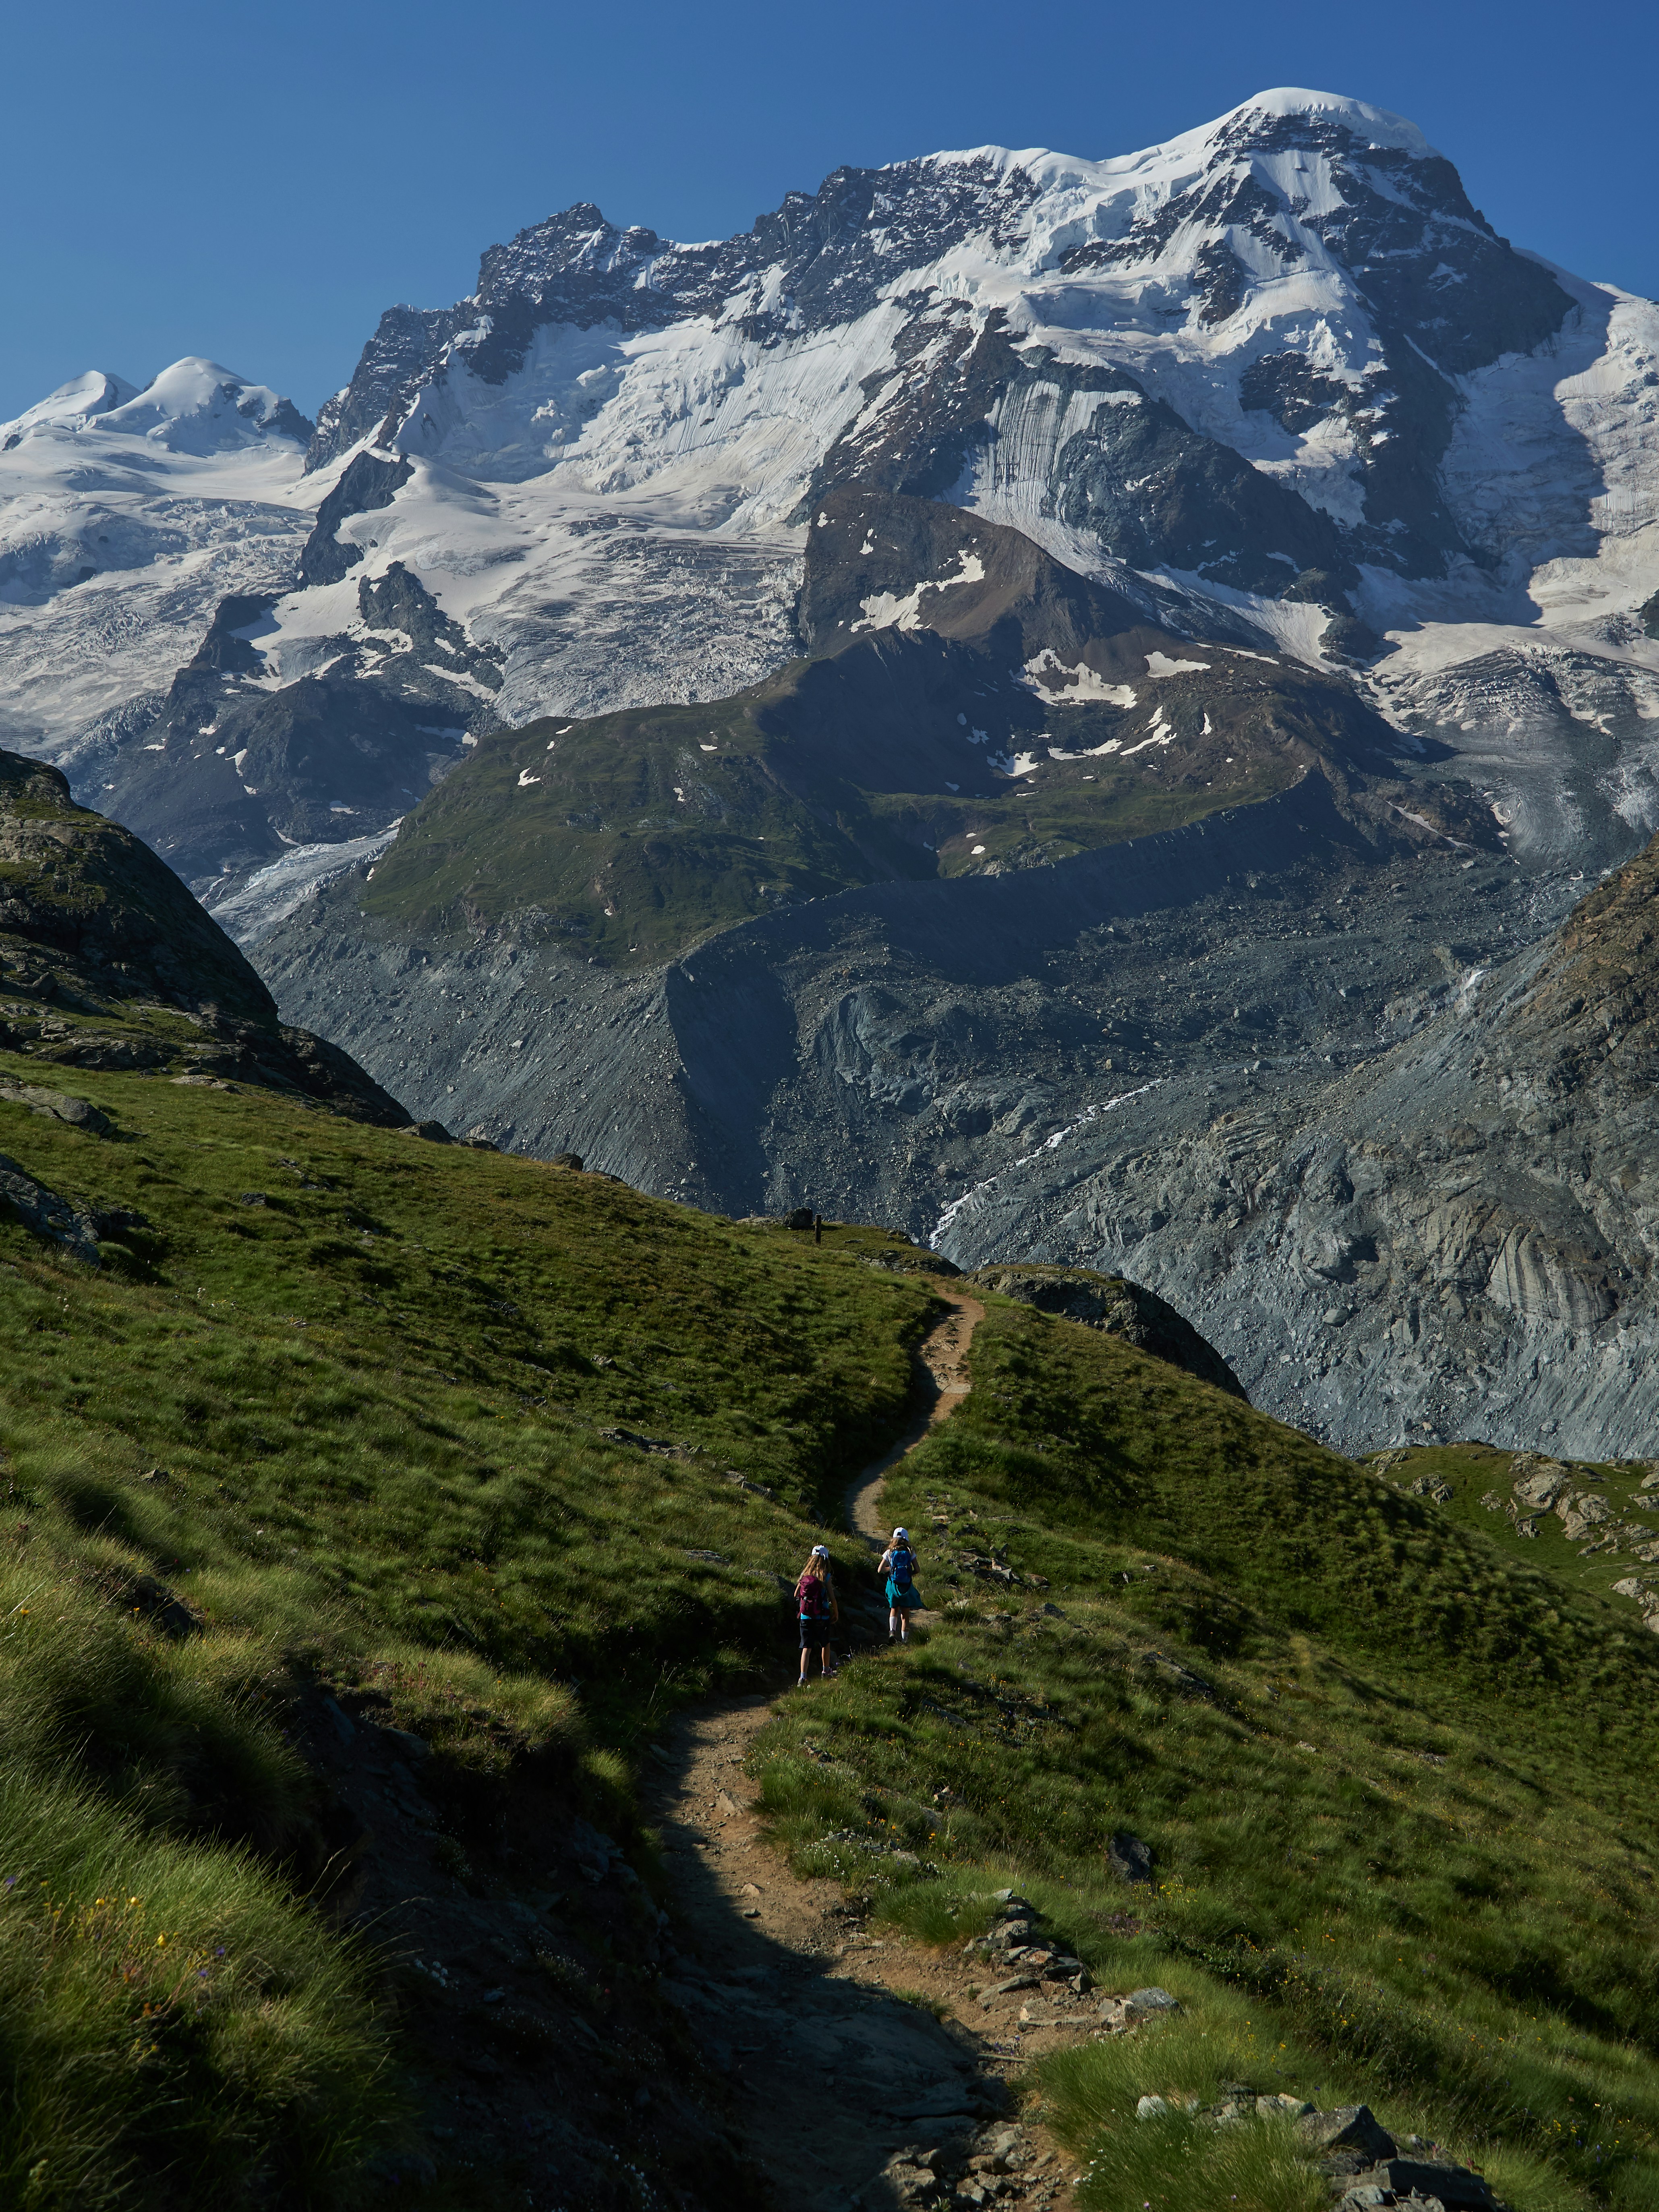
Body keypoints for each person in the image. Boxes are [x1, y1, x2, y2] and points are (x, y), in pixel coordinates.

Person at [795, 1544, 839, 1685]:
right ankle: (826, 1671)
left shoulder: (804, 1575)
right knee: (825, 1644)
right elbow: (832, 1597)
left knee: (806, 1647)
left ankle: (803, 1677)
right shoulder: (825, 1576)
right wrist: (836, 1612)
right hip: (822, 1616)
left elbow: (796, 1594)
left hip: (805, 1617)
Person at [879, 1526, 921, 1642]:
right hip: (906, 1586)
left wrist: (892, 1569)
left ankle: (892, 1632)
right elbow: (918, 1569)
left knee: (894, 1609)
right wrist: (909, 1573)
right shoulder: (910, 1551)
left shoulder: (889, 1552)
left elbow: (880, 1570)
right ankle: (905, 1641)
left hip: (893, 1585)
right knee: (905, 1616)